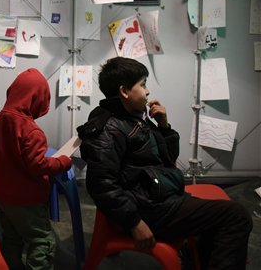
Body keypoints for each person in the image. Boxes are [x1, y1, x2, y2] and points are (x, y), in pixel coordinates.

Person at [77, 57, 252, 270]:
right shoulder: (110, 128)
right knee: (236, 216)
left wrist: (164, 126)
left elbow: (167, 159)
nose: (148, 91)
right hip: (151, 210)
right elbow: (101, 183)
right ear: (124, 91)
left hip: (157, 198)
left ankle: (194, 258)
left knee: (222, 216)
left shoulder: (132, 117)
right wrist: (134, 223)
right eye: (142, 84)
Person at [0, 68, 73, 270]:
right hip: (28, 200)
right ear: (39, 98)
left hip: (3, 196)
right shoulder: (31, 130)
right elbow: (37, 166)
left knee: (12, 238)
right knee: (41, 241)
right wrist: (63, 161)